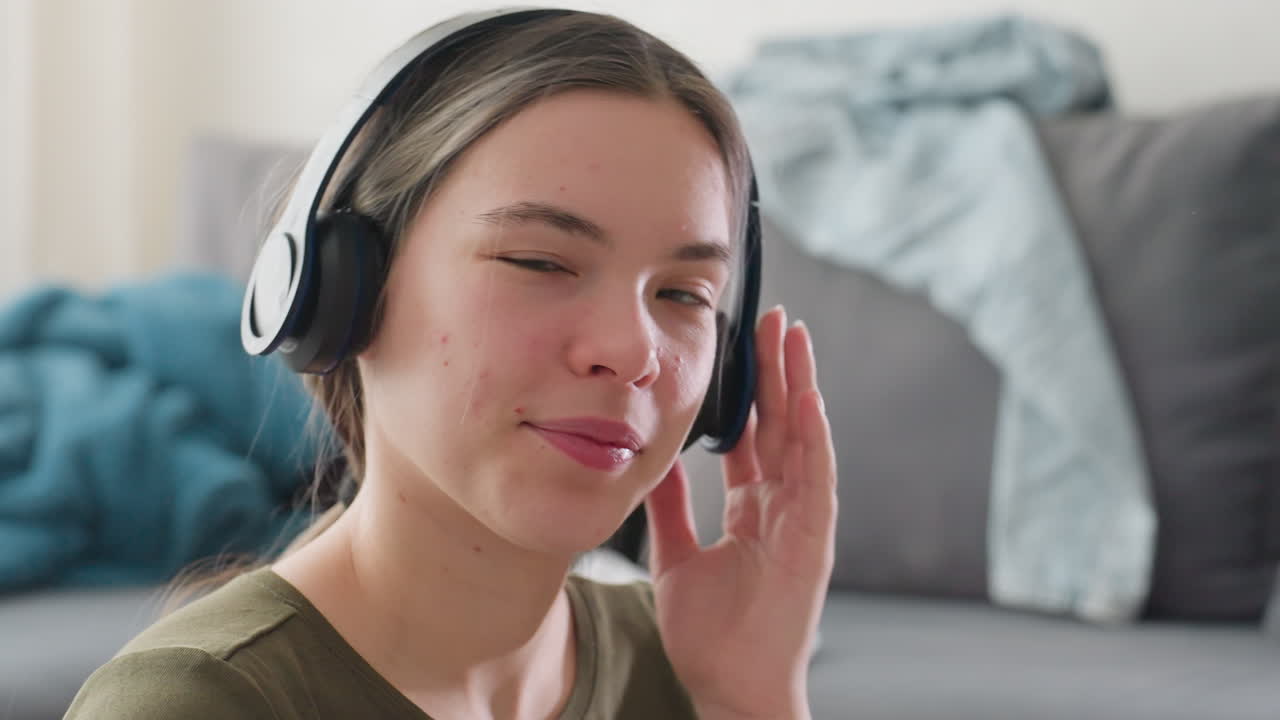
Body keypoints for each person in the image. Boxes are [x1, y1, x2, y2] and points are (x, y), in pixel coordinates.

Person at [65, 8, 837, 720]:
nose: (635, 353)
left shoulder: (687, 659)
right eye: (540, 262)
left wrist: (754, 699)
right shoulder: (191, 705)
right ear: (342, 291)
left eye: (682, 293)